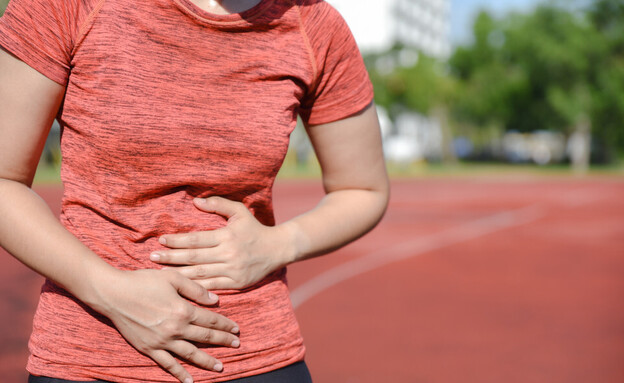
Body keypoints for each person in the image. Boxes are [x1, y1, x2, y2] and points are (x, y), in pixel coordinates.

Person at [0, 0, 389, 381]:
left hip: (253, 357)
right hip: (90, 359)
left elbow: (363, 188)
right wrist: (108, 290)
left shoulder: (313, 23)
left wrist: (280, 244)